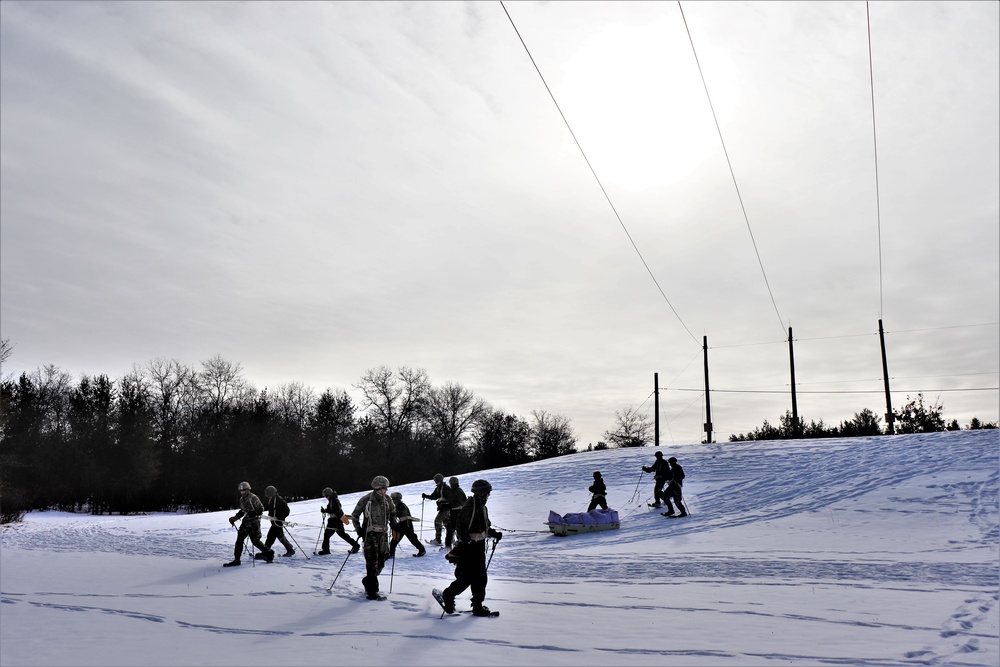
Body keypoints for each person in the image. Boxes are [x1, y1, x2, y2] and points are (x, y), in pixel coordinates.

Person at [439, 479, 502, 617]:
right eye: (487, 493)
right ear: (480, 493)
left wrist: (493, 533)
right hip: (468, 548)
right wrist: (468, 541)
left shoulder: (482, 507)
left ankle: (477, 606)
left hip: (479, 547)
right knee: (467, 578)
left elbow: (484, 527)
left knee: (480, 578)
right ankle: (448, 594)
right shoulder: (469, 506)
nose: (488, 496)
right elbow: (459, 528)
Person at [351, 475, 397, 600]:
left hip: (383, 534)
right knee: (371, 562)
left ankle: (368, 580)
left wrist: (394, 524)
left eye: (385, 489)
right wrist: (359, 529)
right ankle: (372, 591)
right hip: (370, 534)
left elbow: (392, 513)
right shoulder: (366, 500)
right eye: (381, 489)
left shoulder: (387, 500)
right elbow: (355, 515)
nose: (384, 491)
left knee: (383, 559)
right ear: (376, 488)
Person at [224, 481, 274, 566]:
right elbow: (243, 511)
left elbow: (261, 509)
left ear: (248, 489)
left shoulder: (253, 497)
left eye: (244, 490)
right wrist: (235, 518)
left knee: (255, 541)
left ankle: (269, 553)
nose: (242, 492)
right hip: (246, 522)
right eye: (241, 490)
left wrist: (254, 513)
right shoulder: (242, 499)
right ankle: (237, 560)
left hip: (254, 522)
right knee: (239, 540)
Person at [319, 487, 360, 555]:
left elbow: (336, 510)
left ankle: (326, 550)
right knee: (341, 535)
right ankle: (355, 545)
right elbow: (332, 509)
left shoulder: (334, 500)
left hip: (335, 520)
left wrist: (327, 511)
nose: (326, 497)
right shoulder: (332, 499)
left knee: (329, 535)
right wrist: (325, 510)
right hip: (335, 520)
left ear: (328, 494)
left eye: (326, 495)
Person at [260, 485, 294, 558]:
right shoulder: (272, 500)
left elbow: (287, 511)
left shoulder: (279, 501)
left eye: (269, 495)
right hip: (274, 522)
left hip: (278, 522)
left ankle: (265, 552)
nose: (268, 497)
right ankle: (290, 548)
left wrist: (279, 517)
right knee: (280, 536)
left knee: (270, 537)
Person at [389, 491, 426, 558]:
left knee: (412, 539)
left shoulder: (401, 505)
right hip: (403, 524)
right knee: (395, 540)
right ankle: (391, 554)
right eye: (392, 498)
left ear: (398, 498)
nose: (392, 500)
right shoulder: (397, 505)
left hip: (406, 524)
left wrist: (395, 522)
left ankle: (422, 550)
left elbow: (403, 516)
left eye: (393, 498)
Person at [421, 473, 449, 546]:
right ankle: (450, 540)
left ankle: (438, 540)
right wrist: (426, 496)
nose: (436, 482)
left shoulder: (446, 488)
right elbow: (433, 496)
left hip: (446, 509)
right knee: (447, 524)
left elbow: (450, 498)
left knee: (438, 522)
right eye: (436, 481)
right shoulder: (438, 488)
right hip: (443, 508)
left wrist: (444, 501)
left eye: (437, 480)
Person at [444, 476, 466, 548]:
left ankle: (457, 544)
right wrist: (443, 503)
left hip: (459, 512)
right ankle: (449, 545)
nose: (451, 485)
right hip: (452, 512)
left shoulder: (459, 491)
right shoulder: (452, 491)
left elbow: (460, 503)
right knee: (450, 529)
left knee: (455, 529)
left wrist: (449, 506)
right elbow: (450, 500)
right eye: (451, 484)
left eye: (453, 484)